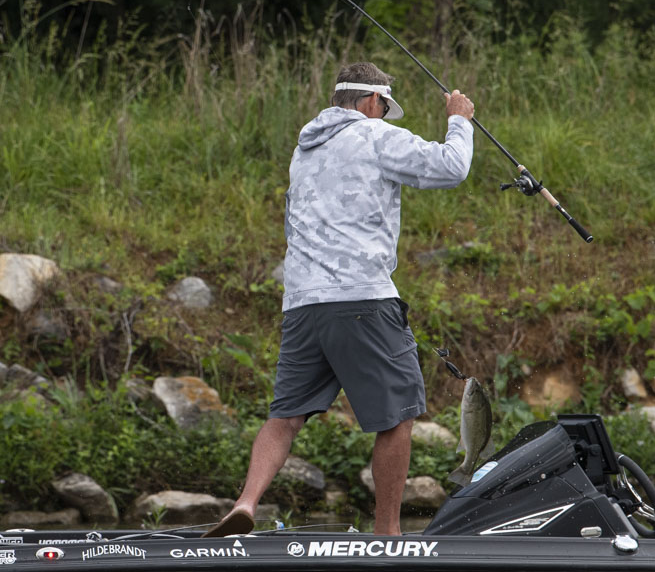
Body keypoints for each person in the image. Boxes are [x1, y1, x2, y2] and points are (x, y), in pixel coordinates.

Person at [203, 62, 475, 538]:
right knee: (398, 416)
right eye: (384, 107)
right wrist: (459, 119)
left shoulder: (304, 150)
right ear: (372, 101)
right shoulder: (375, 136)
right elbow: (451, 168)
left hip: (302, 303)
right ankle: (387, 533)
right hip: (362, 298)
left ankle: (245, 503)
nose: (384, 115)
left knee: (285, 417)